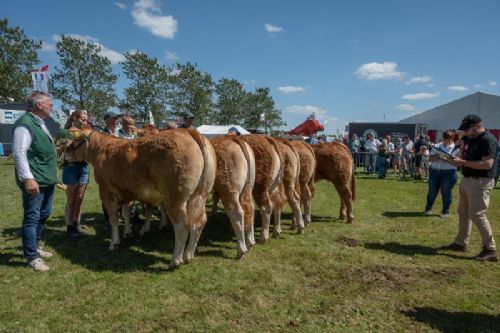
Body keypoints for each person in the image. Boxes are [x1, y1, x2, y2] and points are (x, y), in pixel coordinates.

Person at [441, 115, 498, 261]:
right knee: (463, 213)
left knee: (478, 215)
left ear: (477, 125)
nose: (465, 132)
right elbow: (461, 159)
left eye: (467, 129)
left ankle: (490, 249)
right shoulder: (469, 139)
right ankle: (461, 243)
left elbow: (488, 164)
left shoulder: (488, 140)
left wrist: (463, 162)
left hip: (480, 181)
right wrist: (455, 158)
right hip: (467, 180)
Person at [12, 91, 58, 271]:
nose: (52, 107)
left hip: (46, 179)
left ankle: (36, 247)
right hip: (35, 180)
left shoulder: (39, 122)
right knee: (32, 217)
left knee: (44, 213)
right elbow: (19, 153)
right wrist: (28, 178)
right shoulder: (25, 124)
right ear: (39, 105)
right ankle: (31, 256)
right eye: (50, 104)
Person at [57, 110, 91, 239]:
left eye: (86, 120)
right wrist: (71, 143)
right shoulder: (65, 132)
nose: (85, 122)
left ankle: (77, 224)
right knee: (71, 199)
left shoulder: (86, 131)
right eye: (82, 119)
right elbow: (58, 150)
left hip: (83, 166)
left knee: (80, 197)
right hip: (70, 167)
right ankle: (69, 227)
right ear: (74, 118)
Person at [424, 130, 458, 217]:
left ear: (452, 138)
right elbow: (430, 159)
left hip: (448, 173)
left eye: (448, 139)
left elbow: (456, 163)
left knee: (446, 193)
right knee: (431, 192)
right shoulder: (437, 146)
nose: (445, 141)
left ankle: (445, 211)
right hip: (434, 171)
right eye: (444, 139)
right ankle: (428, 209)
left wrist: (444, 159)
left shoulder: (456, 148)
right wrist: (437, 156)